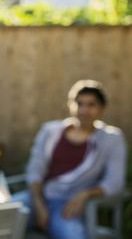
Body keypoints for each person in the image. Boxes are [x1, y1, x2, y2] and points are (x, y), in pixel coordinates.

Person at [13, 79, 127, 239]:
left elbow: (115, 183)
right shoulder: (50, 131)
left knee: (74, 235)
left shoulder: (111, 139)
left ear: (102, 108)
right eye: (79, 104)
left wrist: (85, 195)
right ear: (70, 105)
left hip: (68, 205)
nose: (84, 110)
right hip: (36, 198)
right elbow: (35, 170)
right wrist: (39, 205)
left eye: (91, 105)